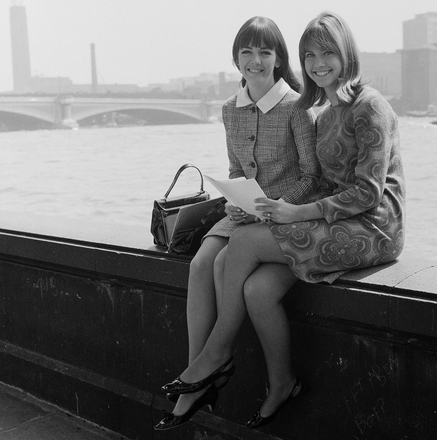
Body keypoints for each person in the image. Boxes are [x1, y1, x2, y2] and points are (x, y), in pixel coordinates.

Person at [161, 11, 405, 430]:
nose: (318, 63)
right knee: (256, 290)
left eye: (328, 52)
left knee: (242, 246)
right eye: (310, 54)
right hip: (329, 220)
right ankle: (281, 383)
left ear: (347, 53)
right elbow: (317, 180)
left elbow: (368, 193)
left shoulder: (371, 105)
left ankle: (216, 356)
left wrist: (295, 212)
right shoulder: (324, 111)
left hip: (374, 227)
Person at [154, 16, 320, 431]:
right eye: (247, 51)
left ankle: (209, 368)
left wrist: (272, 204)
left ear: (279, 58)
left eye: (265, 51)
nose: (255, 60)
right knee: (198, 265)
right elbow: (234, 167)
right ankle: (199, 374)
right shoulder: (231, 109)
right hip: (241, 213)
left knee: (222, 263)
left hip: (280, 213)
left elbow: (312, 177)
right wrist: (234, 199)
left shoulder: (297, 107)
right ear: (236, 58)